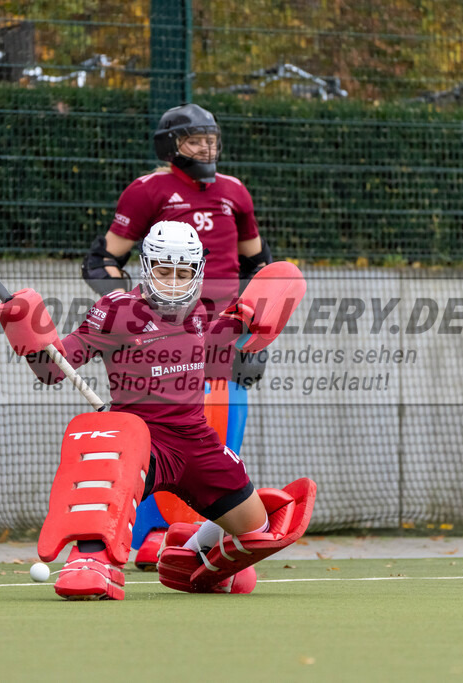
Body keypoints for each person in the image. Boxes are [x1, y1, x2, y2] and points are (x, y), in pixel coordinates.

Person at [0, 221, 314, 600]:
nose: (174, 282)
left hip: (196, 444)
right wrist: (31, 335)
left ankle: (191, 550)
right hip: (141, 442)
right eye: (164, 271)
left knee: (257, 529)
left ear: (198, 272)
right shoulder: (116, 311)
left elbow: (222, 338)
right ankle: (90, 560)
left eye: (184, 273)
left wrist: (250, 317)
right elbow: (54, 368)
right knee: (103, 486)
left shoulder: (203, 311)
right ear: (146, 267)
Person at [81, 103, 273, 568]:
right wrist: (135, 319)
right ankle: (147, 534)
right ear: (170, 146)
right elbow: (101, 260)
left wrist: (256, 334)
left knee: (214, 446)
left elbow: (259, 267)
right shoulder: (148, 191)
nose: (207, 147)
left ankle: (198, 536)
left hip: (220, 340)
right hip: (161, 342)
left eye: (211, 138)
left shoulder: (235, 193)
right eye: (194, 139)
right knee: (153, 442)